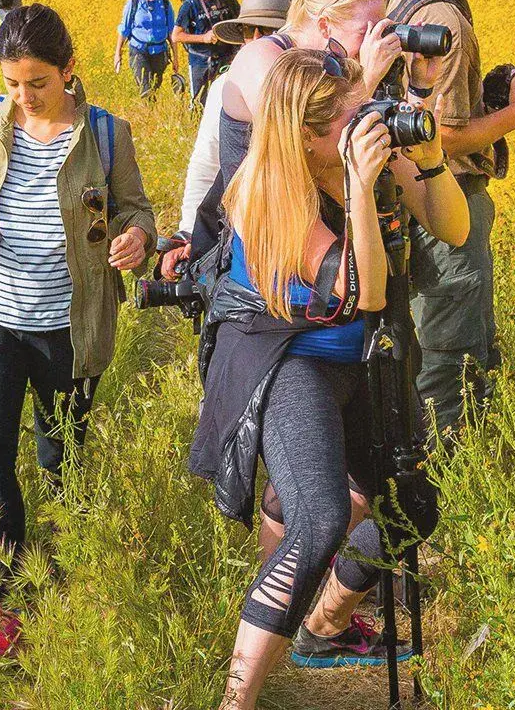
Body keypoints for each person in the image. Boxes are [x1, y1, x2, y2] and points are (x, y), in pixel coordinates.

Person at [190, 48, 469, 706]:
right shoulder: (267, 190)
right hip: (292, 358)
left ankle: (324, 621)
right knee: (318, 519)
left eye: (359, 103)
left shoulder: (359, 147)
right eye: (346, 113)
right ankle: (237, 701)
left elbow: (452, 226)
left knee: (413, 505)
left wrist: (425, 156)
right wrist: (356, 189)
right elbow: (365, 290)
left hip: (359, 356)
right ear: (306, 135)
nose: (362, 118)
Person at [0, 3, 157, 662]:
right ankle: (10, 610)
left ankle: (74, 593)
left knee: (62, 468)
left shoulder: (105, 135)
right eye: (13, 84)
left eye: (38, 83)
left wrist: (135, 236)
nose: (24, 97)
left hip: (70, 331)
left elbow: (135, 207)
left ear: (69, 70)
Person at [387, 0, 515, 434]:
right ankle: (445, 467)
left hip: (408, 192)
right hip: (446, 201)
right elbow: (448, 135)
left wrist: (494, 89)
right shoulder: (449, 23)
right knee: (450, 344)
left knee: (440, 336)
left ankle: (463, 447)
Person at [160, 0, 400, 280]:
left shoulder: (338, 66)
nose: (253, 38)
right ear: (323, 25)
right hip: (273, 255)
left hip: (329, 237)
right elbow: (301, 139)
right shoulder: (260, 62)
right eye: (364, 32)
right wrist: (366, 80)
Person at [171, 0, 242, 106]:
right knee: (199, 103)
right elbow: (176, 35)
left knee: (230, 100)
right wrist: (204, 38)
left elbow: (240, 20)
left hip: (227, 58)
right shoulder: (190, 5)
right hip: (201, 62)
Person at [115, 0, 176, 98]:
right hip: (138, 50)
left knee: (155, 86)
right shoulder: (134, 2)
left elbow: (172, 32)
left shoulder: (164, 3)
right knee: (145, 88)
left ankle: (151, 113)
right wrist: (117, 53)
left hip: (159, 51)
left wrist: (175, 58)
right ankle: (150, 111)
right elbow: (124, 29)